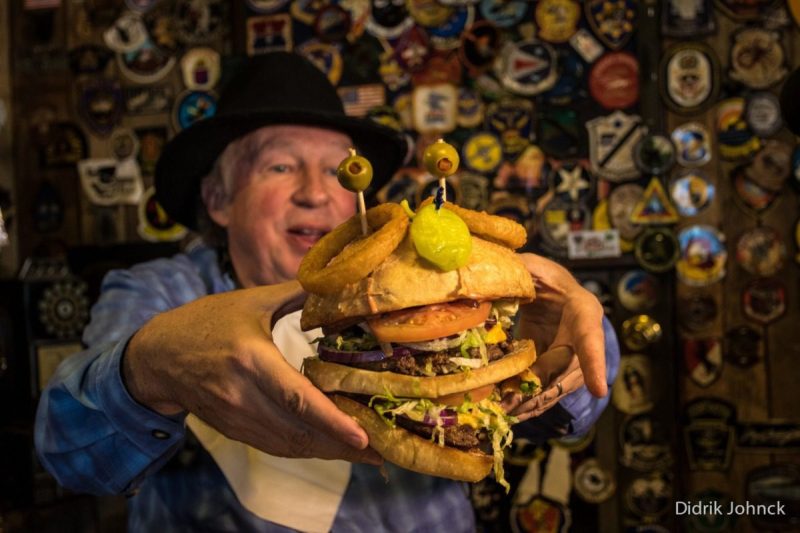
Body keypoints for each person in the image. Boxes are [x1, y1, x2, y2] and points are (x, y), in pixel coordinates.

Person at [35, 52, 619, 532]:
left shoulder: (428, 279)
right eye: (280, 167)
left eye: (340, 171)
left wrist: (565, 360)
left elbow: (582, 404)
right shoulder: (160, 292)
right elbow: (66, 453)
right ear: (218, 199)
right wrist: (150, 366)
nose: (317, 194)